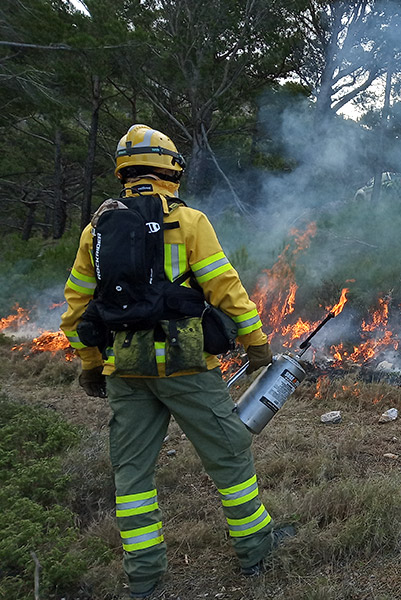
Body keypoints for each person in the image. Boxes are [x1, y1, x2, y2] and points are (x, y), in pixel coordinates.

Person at [60, 124, 288, 598]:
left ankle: (143, 578)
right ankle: (256, 553)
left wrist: (88, 363)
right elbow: (224, 287)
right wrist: (256, 342)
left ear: (125, 170)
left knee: (132, 473)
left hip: (126, 370)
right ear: (170, 168)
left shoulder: (96, 229)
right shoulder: (188, 222)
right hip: (186, 365)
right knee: (229, 455)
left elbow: (77, 308)